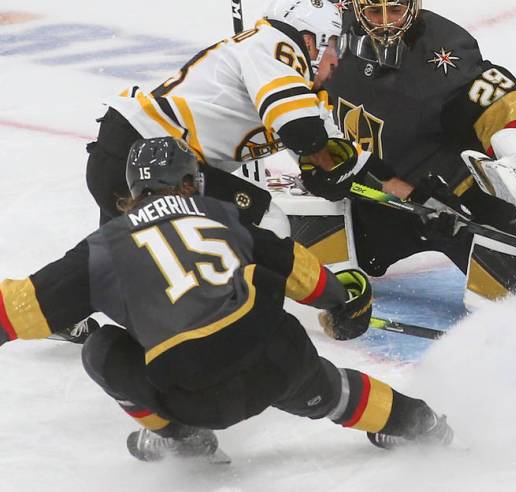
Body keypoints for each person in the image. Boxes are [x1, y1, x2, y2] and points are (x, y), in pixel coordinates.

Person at [0, 137, 453, 461]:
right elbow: (296, 266)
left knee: (101, 349)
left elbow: (20, 309)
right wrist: (341, 301)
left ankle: (182, 437)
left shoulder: (104, 247)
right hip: (278, 361)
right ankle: (420, 423)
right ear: (190, 183)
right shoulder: (222, 216)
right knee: (328, 390)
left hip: (194, 395)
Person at [69, 0, 376, 343]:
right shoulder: (274, 45)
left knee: (115, 258)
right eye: (334, 45)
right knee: (265, 222)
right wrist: (336, 297)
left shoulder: (293, 80)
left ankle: (66, 309)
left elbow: (325, 160)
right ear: (310, 41)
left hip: (128, 153)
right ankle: (255, 333)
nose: (339, 60)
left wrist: (336, 169)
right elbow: (303, 133)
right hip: (152, 158)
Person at [320, 0, 516, 278]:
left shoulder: (442, 51)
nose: (386, 22)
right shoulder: (329, 26)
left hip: (449, 200)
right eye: (375, 11)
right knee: (339, 258)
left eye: (395, 9)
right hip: (376, 197)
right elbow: (281, 55)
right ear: (358, 8)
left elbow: (504, 101)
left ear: (413, 4)